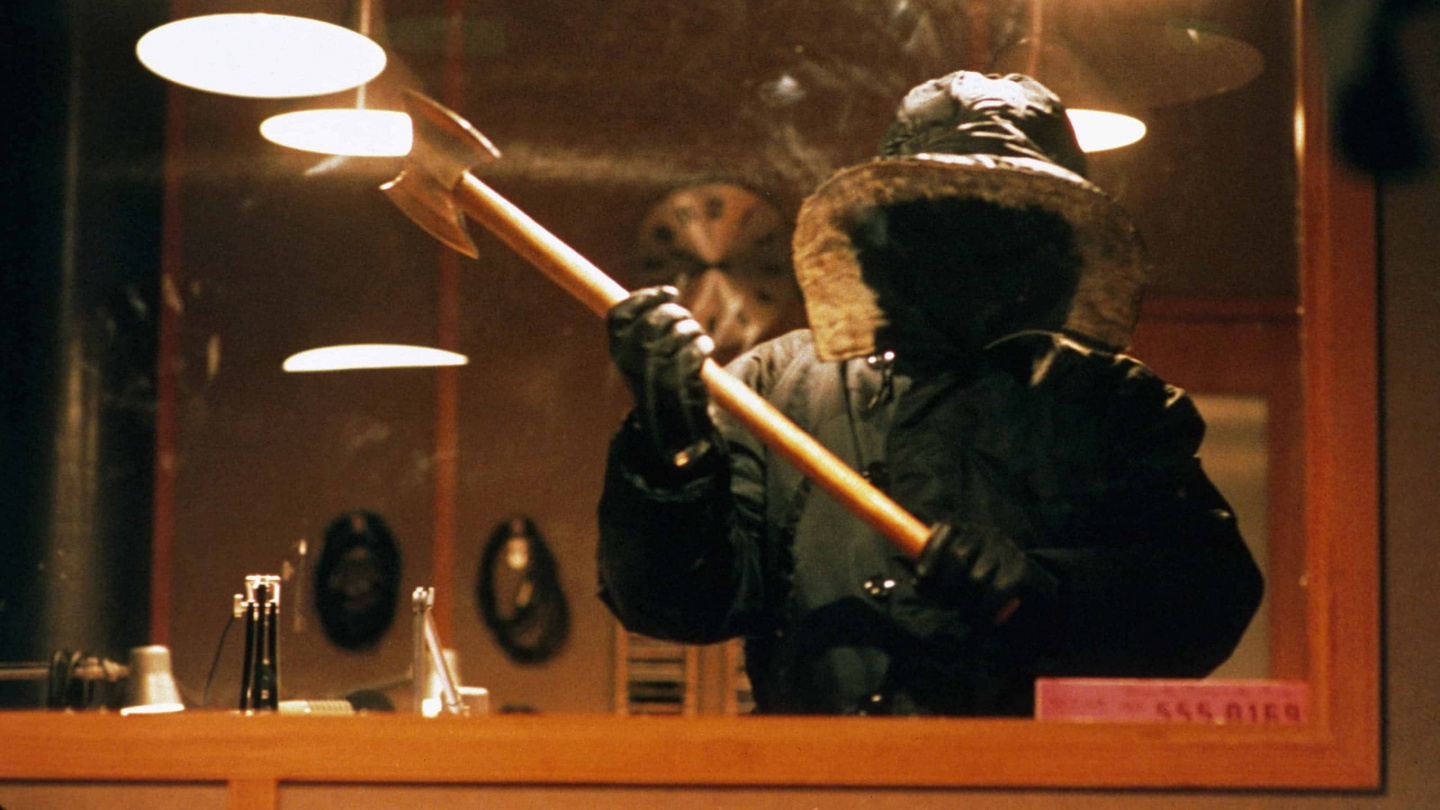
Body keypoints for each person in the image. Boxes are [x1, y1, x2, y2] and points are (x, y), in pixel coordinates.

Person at [597, 71, 1265, 716]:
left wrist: (1045, 586)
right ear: (886, 228)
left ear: (1051, 244)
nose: (967, 244)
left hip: (1036, 782)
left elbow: (1206, 601)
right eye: (938, 212)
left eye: (1001, 218)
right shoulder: (775, 387)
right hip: (819, 779)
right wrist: (671, 442)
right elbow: (678, 604)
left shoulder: (1113, 407)